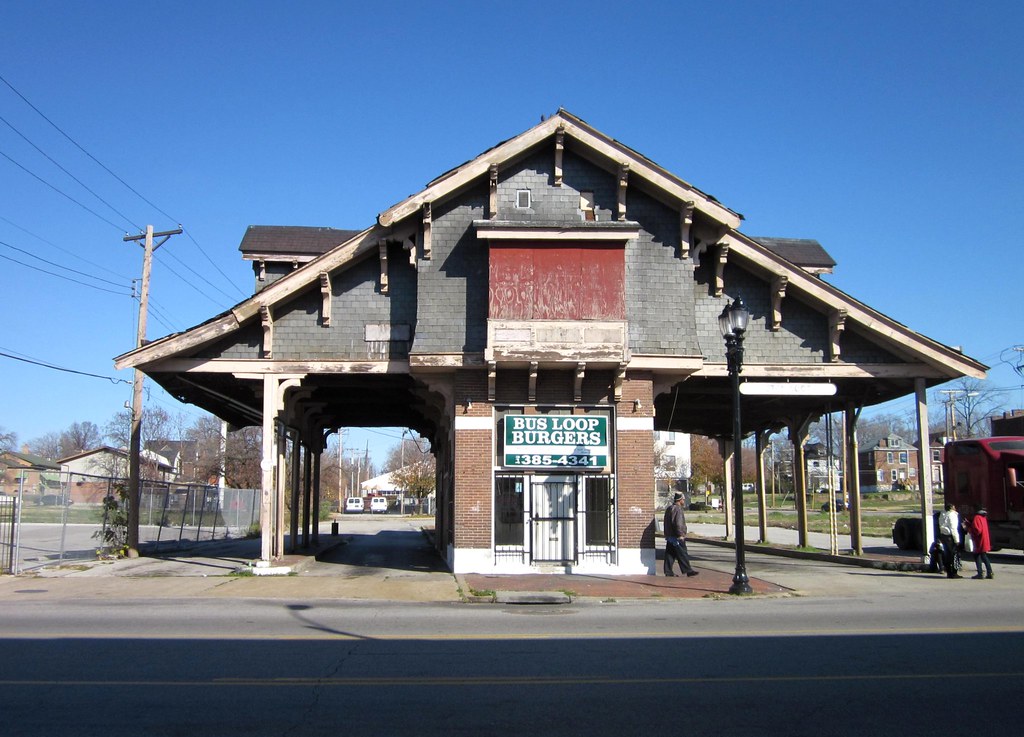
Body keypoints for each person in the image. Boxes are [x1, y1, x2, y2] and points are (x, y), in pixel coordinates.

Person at [663, 492, 698, 577]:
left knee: (670, 554)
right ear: (680, 500)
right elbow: (678, 523)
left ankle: (668, 571)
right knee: (682, 553)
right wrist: (680, 534)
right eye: (683, 499)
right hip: (676, 536)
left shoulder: (669, 508)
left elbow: (666, 523)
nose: (684, 501)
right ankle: (688, 570)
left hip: (670, 536)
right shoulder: (678, 509)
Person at [937, 503, 961, 579]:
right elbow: (953, 528)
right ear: (951, 508)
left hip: (943, 535)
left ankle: (949, 572)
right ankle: (954, 573)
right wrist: (957, 540)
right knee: (954, 555)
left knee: (947, 555)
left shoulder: (942, 514)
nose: (955, 508)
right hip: (950, 537)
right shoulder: (952, 515)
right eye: (954, 507)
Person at [968, 508, 994, 579]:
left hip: (979, 540)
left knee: (977, 556)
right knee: (984, 556)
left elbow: (977, 530)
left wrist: (969, 528)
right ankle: (990, 572)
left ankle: (980, 573)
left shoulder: (977, 517)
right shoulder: (983, 517)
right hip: (984, 539)